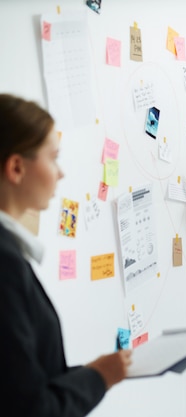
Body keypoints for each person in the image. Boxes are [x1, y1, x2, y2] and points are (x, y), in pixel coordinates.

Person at [0, 93, 132, 416]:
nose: (60, 173)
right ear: (17, 167)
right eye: (53, 157)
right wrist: (98, 377)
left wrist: (87, 375)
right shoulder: (5, 264)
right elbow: (30, 409)